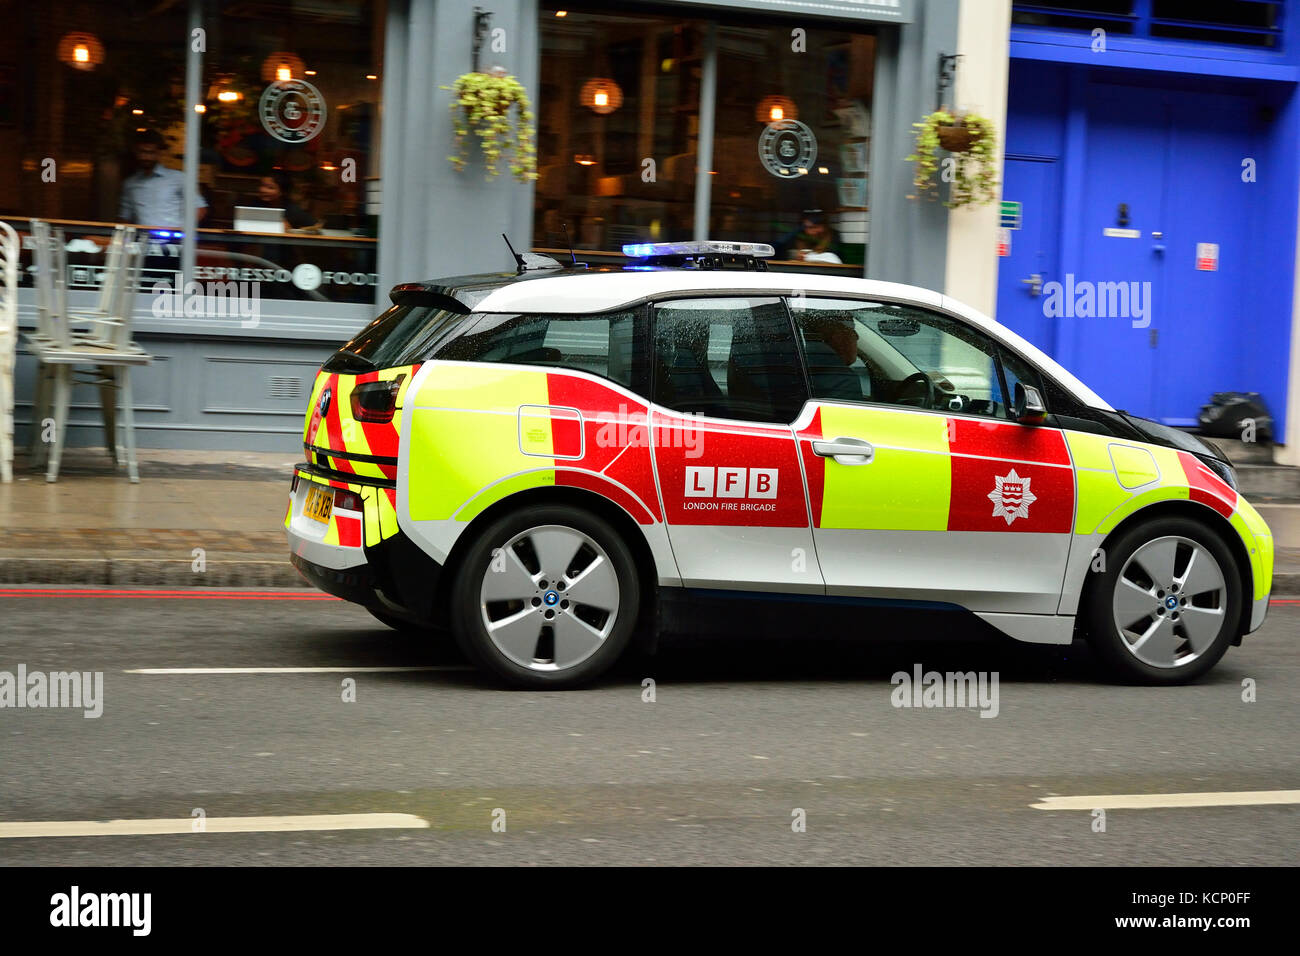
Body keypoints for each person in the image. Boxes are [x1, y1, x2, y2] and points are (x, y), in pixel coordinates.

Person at [118, 129, 208, 228]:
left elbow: (199, 208)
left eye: (151, 152)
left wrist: (181, 233)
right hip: (143, 240)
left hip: (175, 240)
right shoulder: (130, 184)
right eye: (142, 152)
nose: (146, 157)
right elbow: (125, 217)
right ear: (136, 152)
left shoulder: (179, 178)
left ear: (159, 153)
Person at [249, 172, 317, 231]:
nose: (262, 190)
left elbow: (315, 226)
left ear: (283, 192)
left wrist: (292, 231)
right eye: (261, 185)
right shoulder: (254, 205)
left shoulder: (292, 209)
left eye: (270, 188)